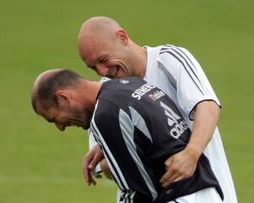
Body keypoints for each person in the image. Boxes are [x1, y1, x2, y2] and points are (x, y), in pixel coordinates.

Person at [77, 16, 238, 203]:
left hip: (207, 193)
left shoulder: (169, 59)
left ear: (122, 37)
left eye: (103, 60)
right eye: (93, 67)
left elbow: (208, 106)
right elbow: (106, 166)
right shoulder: (106, 97)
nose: (103, 71)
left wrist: (191, 153)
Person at [31, 69, 224, 203]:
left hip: (180, 196)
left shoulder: (106, 114)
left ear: (64, 97)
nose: (60, 127)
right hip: (207, 189)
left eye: (53, 118)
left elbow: (138, 192)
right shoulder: (132, 84)